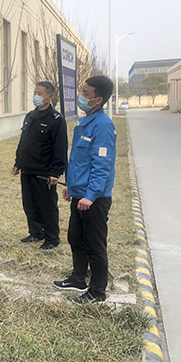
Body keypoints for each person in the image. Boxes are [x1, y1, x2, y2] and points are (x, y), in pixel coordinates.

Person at [53, 76, 116, 304]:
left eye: (86, 93)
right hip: (79, 194)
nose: (81, 96)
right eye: (82, 90)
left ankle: (97, 292)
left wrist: (90, 196)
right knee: (75, 238)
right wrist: (71, 187)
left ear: (98, 100)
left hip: (94, 199)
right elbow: (79, 161)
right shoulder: (85, 122)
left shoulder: (102, 126)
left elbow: (102, 165)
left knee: (95, 245)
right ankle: (78, 278)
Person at [12, 81, 67, 250]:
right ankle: (36, 232)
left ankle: (52, 238)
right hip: (27, 169)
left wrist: (55, 172)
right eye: (35, 92)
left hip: (44, 172)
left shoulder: (56, 119)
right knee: (29, 204)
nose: (36, 96)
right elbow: (23, 141)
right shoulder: (31, 116)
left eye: (40, 93)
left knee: (47, 206)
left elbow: (60, 148)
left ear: (49, 97)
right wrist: (17, 163)